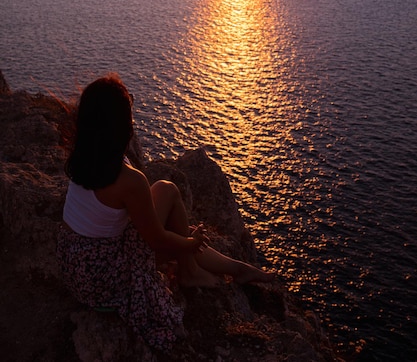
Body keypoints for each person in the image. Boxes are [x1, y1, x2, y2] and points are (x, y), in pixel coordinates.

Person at [57, 74, 274, 351]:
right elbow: (157, 240)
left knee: (164, 190)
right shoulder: (128, 179)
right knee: (170, 197)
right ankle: (193, 270)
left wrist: (183, 239)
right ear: (122, 125)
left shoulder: (85, 156)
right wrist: (190, 242)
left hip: (75, 265)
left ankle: (234, 268)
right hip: (103, 281)